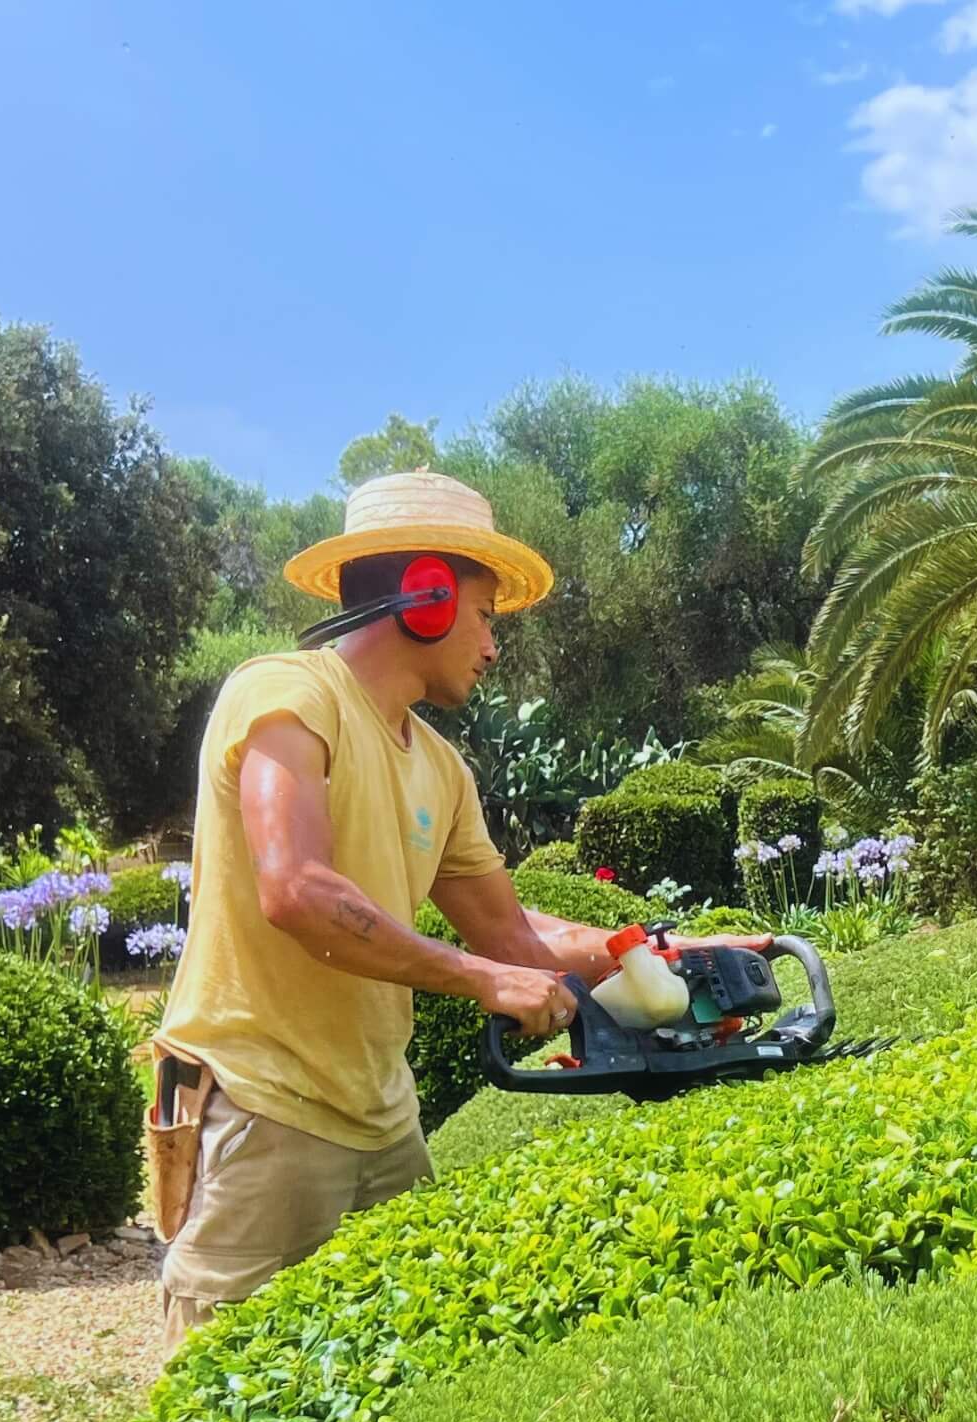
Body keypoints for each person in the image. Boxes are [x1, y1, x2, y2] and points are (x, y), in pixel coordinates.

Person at [148, 469, 744, 1348]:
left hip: (383, 1115)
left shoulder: (439, 767)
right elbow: (297, 890)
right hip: (263, 1104)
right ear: (424, 597)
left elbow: (512, 932)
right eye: (486, 614)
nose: (494, 646)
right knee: (227, 1380)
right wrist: (479, 981)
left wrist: (662, 950)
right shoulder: (286, 695)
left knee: (397, 1362)